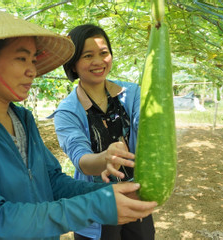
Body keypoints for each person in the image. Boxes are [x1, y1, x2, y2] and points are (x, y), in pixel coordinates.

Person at [0, 9, 157, 240]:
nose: (32, 71)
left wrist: (109, 193)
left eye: (34, 60)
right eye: (21, 58)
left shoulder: (23, 120)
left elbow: (53, 183)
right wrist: (97, 205)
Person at [51, 24, 156, 239]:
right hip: (96, 203)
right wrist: (104, 158)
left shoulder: (132, 93)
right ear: (73, 65)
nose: (98, 61)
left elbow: (147, 127)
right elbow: (81, 158)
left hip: (136, 195)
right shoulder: (67, 112)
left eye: (104, 53)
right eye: (88, 56)